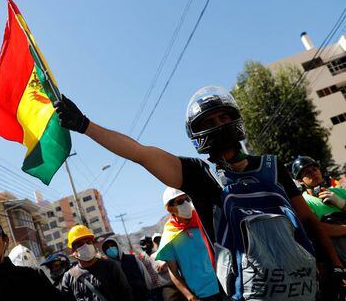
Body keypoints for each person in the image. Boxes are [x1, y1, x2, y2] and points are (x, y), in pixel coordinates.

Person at [54, 85, 346, 299]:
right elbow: (139, 153)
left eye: (223, 118)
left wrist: (333, 267)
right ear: (197, 134)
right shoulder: (199, 176)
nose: (219, 126)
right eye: (208, 122)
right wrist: (85, 125)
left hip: (307, 285)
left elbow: (307, 221)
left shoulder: (272, 166)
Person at [156, 187, 219, 301]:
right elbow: (173, 273)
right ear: (170, 208)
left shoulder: (202, 221)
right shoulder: (169, 237)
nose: (186, 204)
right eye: (180, 202)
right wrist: (190, 296)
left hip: (224, 285)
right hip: (202, 295)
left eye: (187, 199)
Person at [293, 155, 346, 265]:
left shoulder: (339, 192)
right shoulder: (303, 203)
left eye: (315, 169)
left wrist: (341, 203)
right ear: (300, 181)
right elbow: (317, 229)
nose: (313, 173)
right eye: (307, 172)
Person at [61, 224, 134, 301]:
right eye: (80, 244)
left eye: (88, 242)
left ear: (93, 245)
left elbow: (126, 294)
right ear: (73, 251)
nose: (86, 246)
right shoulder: (68, 277)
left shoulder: (110, 266)